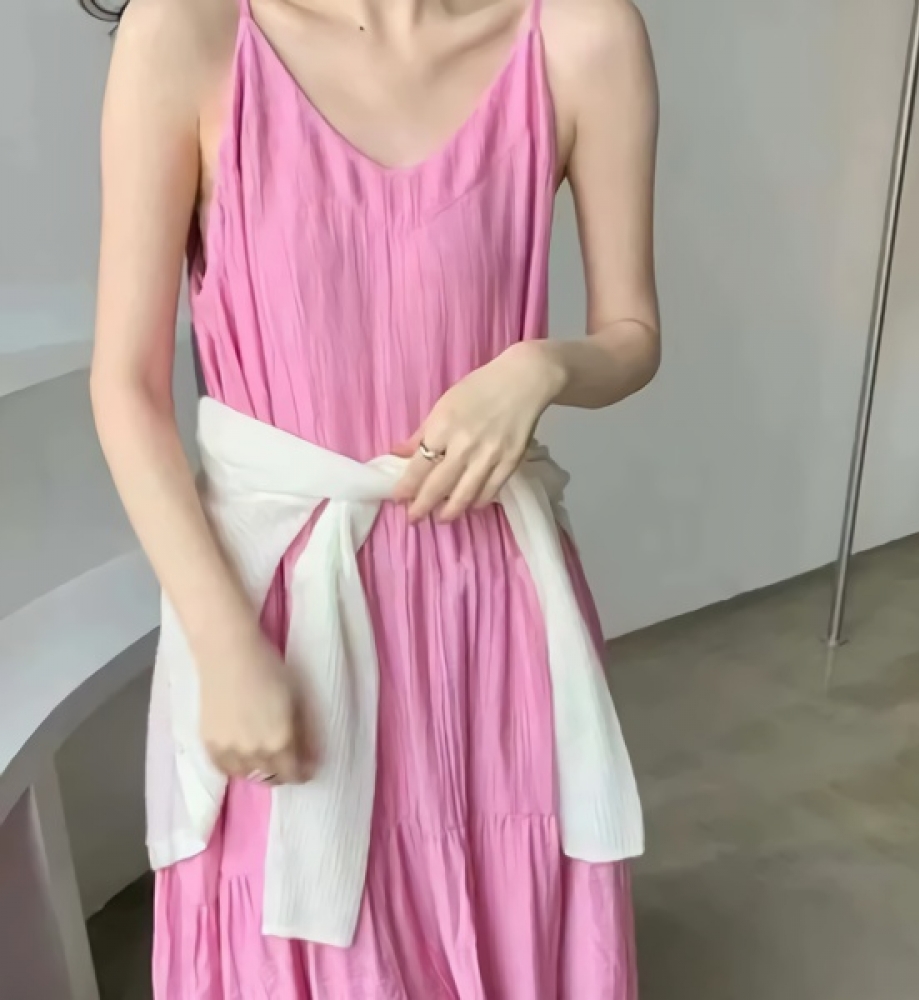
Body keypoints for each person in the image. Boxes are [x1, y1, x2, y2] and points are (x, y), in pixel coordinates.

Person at [88, 0, 659, 995]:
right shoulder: (188, 34)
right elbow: (126, 388)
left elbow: (632, 333)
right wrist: (225, 649)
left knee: (507, 910)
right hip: (280, 614)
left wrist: (543, 367)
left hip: (493, 615)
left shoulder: (581, 34)